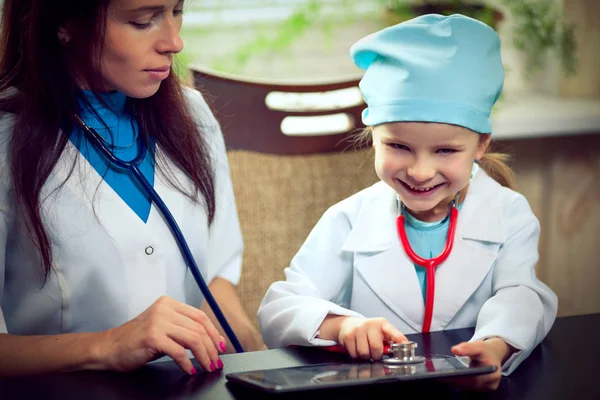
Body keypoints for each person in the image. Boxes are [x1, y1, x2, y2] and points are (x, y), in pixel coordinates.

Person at [257, 14, 558, 391]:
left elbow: (523, 296)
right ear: (373, 137)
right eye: (398, 146)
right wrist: (342, 325)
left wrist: (496, 344)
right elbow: (278, 308)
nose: (420, 171)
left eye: (446, 150)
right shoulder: (348, 218)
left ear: (481, 145)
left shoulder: (509, 214)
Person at [0, 0, 265, 377]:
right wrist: (107, 346)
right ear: (64, 23)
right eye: (143, 21)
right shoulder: (6, 139)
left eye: (178, 11)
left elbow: (214, 280)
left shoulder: (193, 116)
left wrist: (260, 361)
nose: (174, 42)